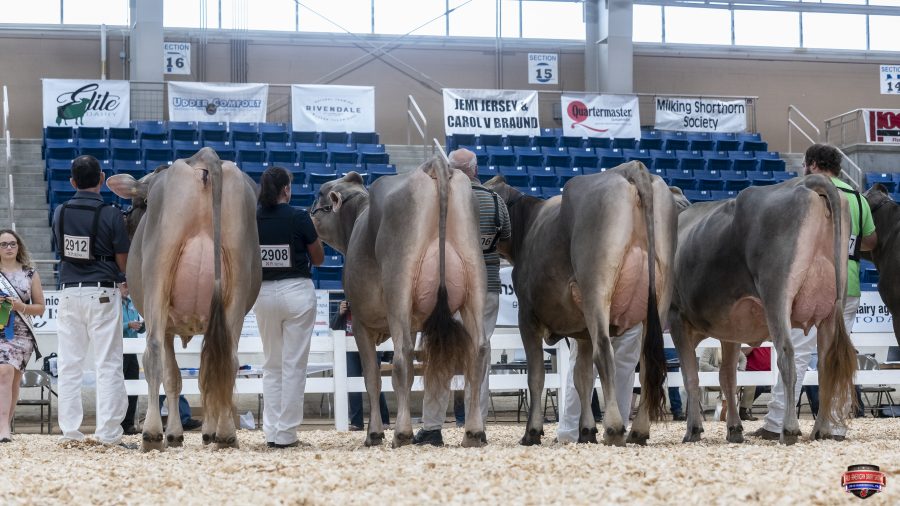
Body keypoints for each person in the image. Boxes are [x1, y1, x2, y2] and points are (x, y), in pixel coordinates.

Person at [751, 143, 876, 441]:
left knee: (795, 352)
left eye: (806, 165)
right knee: (835, 353)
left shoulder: (804, 191)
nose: (804, 170)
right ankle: (836, 425)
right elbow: (871, 241)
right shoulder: (858, 198)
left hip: (809, 282)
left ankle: (778, 421)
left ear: (814, 165)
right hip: (847, 282)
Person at [414, 148, 511, 446]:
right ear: (475, 170)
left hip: (445, 281)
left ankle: (432, 427)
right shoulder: (494, 200)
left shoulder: (439, 199)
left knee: (440, 349)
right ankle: (475, 425)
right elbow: (506, 238)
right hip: (485, 283)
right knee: (479, 351)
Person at [52, 155, 131, 446]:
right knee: (108, 364)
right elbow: (122, 258)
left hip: (68, 292)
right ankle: (108, 434)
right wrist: (124, 278)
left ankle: (70, 433)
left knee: (69, 365)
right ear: (101, 179)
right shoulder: (111, 213)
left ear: (72, 182)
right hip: (102, 291)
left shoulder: (60, 211)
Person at [254, 166, 324, 448]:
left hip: (263, 293)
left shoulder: (254, 218)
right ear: (286, 189)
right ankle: (286, 434)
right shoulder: (299, 216)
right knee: (293, 365)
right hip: (296, 291)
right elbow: (318, 258)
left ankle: (271, 432)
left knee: (272, 364)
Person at [556, 326, 643, 443]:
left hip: (590, 320)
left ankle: (570, 433)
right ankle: (617, 430)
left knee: (583, 363)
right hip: (631, 318)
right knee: (624, 369)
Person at [0, 229, 46, 442]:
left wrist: (21, 307)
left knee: (14, 381)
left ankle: (5, 426)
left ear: (18, 246)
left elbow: (40, 307)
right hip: (1, 332)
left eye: (12, 243)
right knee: (4, 373)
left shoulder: (30, 273)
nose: (8, 248)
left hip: (22, 334)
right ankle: (3, 428)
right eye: (3, 244)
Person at [331, 300, 389, 431]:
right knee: (353, 384)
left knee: (375, 382)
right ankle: (357, 422)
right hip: (350, 350)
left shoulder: (370, 305)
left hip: (371, 347)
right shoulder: (345, 309)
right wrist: (340, 313)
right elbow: (333, 326)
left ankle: (383, 419)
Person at [120, 282, 143, 435]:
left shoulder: (132, 304)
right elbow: (109, 326)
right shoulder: (112, 304)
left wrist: (142, 326)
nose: (128, 289)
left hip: (132, 349)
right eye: (125, 285)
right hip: (118, 350)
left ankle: (128, 424)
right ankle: (118, 423)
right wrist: (128, 325)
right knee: (119, 387)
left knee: (133, 387)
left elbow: (137, 327)